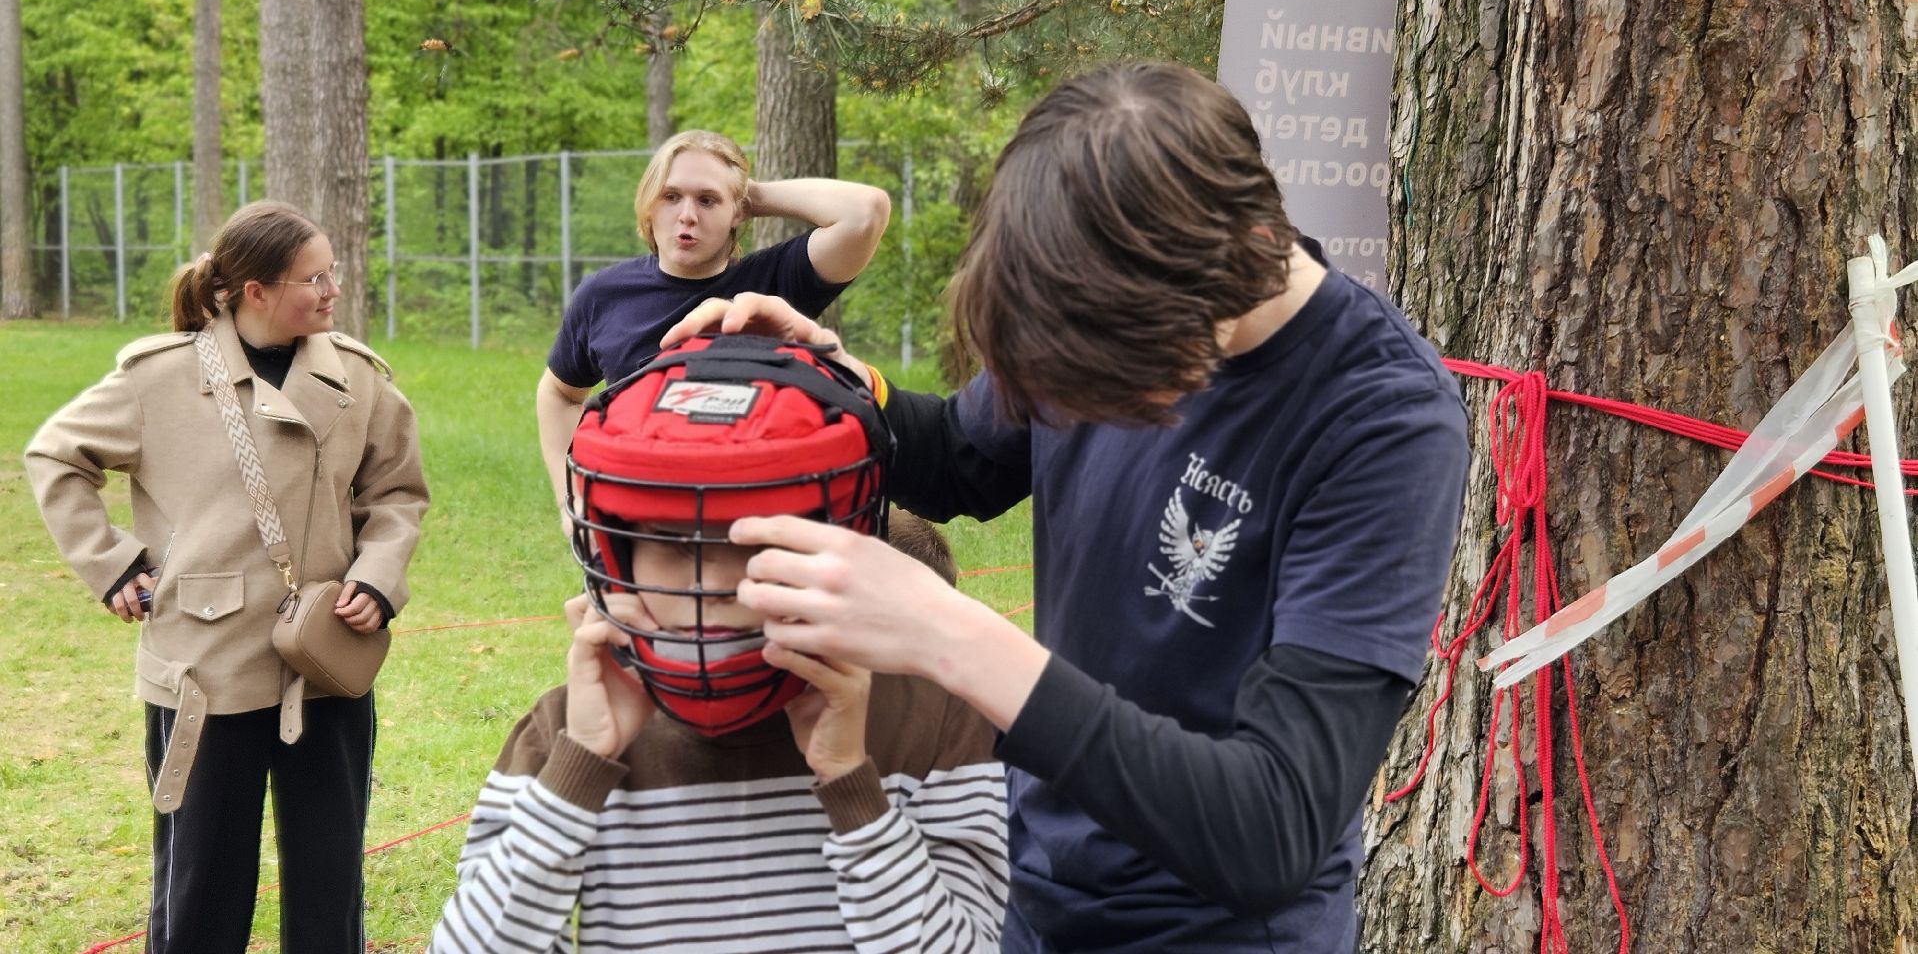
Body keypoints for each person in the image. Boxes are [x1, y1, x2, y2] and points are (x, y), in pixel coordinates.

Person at [662, 61, 1473, 952]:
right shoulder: (1107, 301)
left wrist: (947, 634)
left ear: (1212, 282)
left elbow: (1271, 828)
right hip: (1039, 893)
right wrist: (832, 385)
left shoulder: (1380, 419)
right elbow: (959, 461)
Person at [431, 333, 1007, 953]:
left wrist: (851, 787)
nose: (715, 583)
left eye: (756, 546)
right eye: (676, 545)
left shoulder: (934, 719)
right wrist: (581, 768)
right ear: (618, 550)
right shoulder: (563, 731)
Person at [24, 201, 430, 954]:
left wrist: (376, 579)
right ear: (256, 291)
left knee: (328, 877)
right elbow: (55, 456)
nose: (332, 289)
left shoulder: (359, 379)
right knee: (201, 882)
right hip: (203, 670)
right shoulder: (160, 379)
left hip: (328, 659)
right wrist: (112, 564)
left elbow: (397, 494)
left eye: (331, 273)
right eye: (313, 278)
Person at [535, 129, 891, 524]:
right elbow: (559, 393)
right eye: (670, 196)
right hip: (643, 526)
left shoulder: (774, 282)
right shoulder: (604, 295)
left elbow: (866, 212)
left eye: (707, 200)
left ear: (738, 212)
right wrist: (572, 498)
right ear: (650, 204)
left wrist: (746, 193)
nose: (687, 215)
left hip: (748, 521)